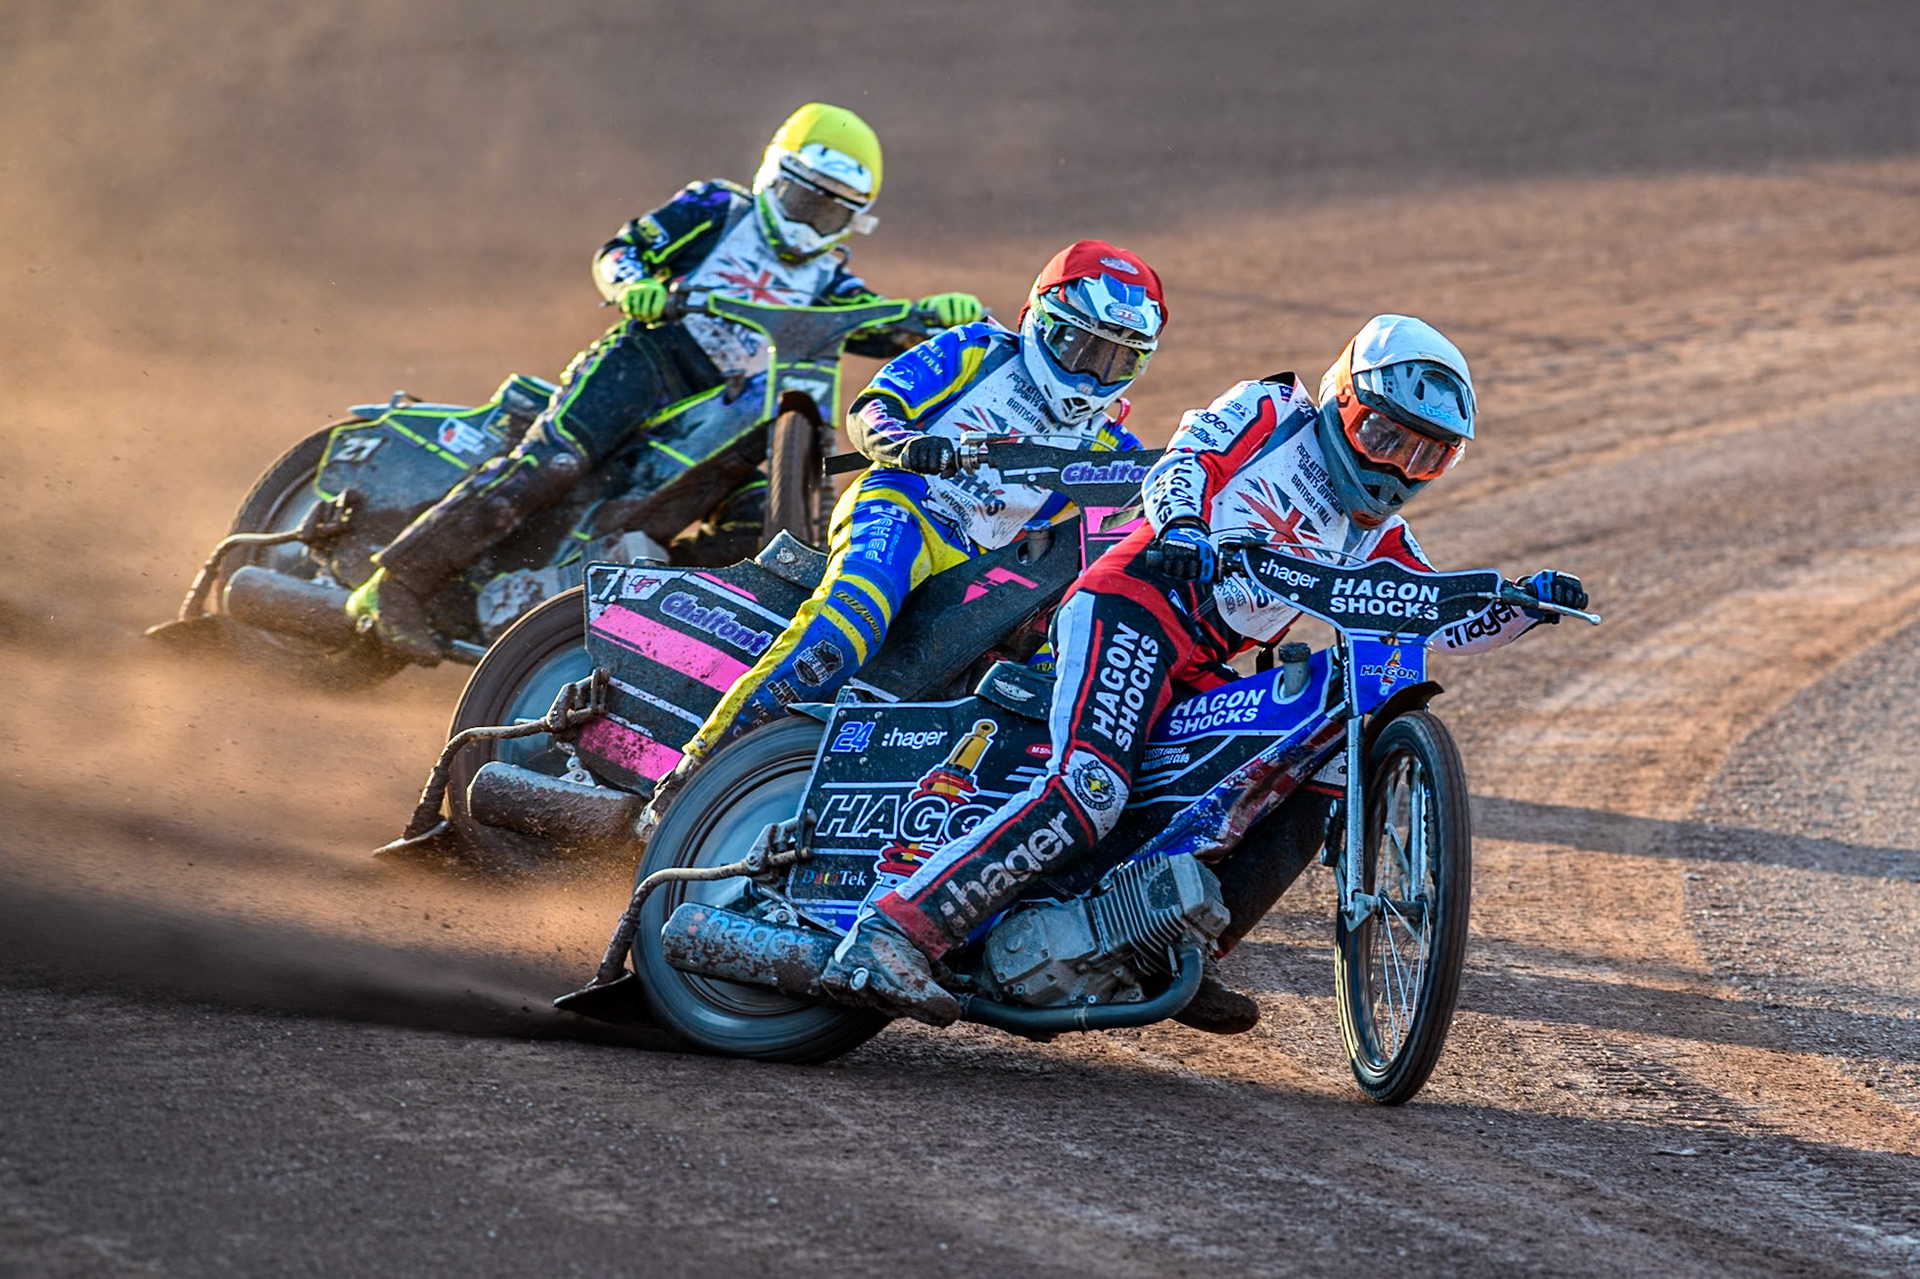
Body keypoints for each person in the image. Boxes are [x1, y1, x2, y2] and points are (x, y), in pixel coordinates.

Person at [817, 314, 1590, 1032]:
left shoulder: (1380, 539)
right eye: (1383, 435)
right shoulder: (1273, 411)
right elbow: (1186, 458)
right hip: (1132, 605)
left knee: (1300, 776)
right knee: (1091, 788)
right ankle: (895, 930)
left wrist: (1522, 604)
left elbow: (1435, 614)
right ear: (1342, 401)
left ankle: (1177, 949)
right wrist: (1184, 523)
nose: (1396, 468)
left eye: (1426, 455)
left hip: (1201, 663)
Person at [345, 103, 983, 662]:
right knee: (554, 462)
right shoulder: (717, 208)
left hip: (728, 408)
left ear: (852, 221)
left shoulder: (831, 281)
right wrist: (635, 287)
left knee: (746, 524)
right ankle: (395, 582)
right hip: (649, 360)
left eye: (829, 213)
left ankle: (636, 620)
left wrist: (938, 319)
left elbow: (877, 327)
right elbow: (620, 253)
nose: (810, 221)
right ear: (773, 177)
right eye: (802, 201)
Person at [639, 239, 1169, 837]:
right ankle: (689, 774)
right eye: (1082, 348)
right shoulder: (975, 350)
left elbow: (1151, 516)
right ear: (1041, 322)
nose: (1094, 375)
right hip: (904, 508)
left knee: (1047, 677)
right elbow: (871, 410)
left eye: (1118, 361)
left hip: (983, 568)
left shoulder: (1115, 446)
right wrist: (908, 444)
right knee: (850, 625)